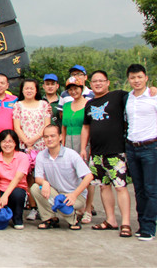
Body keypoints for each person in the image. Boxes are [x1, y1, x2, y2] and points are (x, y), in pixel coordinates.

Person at [80, 70, 146, 237]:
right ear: (90, 84)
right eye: (95, 81)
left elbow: (138, 94)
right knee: (103, 187)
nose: (98, 83)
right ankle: (111, 220)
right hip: (96, 153)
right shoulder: (89, 104)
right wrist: (83, 148)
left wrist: (153, 90)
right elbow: (86, 127)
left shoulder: (118, 96)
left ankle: (125, 223)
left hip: (116, 152)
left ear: (108, 82)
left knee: (120, 187)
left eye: (101, 80)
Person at [123, 63, 157, 242]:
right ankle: (142, 223)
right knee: (139, 189)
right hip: (131, 147)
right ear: (128, 80)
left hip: (149, 148)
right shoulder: (128, 98)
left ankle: (149, 227)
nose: (136, 80)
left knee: (151, 188)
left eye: (139, 77)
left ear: (146, 78)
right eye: (132, 78)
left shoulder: (155, 96)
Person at [32, 124, 93, 231]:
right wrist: (45, 183)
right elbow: (38, 178)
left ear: (60, 137)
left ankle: (73, 219)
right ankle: (50, 218)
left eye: (52, 136)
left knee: (60, 200)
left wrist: (74, 194)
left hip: (74, 196)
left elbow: (88, 176)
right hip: (56, 192)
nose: (49, 139)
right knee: (35, 188)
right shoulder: (41, 155)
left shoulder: (71, 155)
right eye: (46, 137)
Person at [13, 78, 51, 219]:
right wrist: (26, 141)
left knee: (41, 176)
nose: (29, 91)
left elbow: (46, 125)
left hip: (41, 145)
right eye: (26, 88)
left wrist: (33, 140)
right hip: (24, 146)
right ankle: (33, 207)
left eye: (31, 88)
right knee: (28, 177)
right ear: (22, 90)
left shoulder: (44, 105)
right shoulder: (18, 105)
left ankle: (45, 207)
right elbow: (17, 127)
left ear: (36, 90)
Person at [60, 75, 95, 223]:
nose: (73, 92)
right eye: (70, 89)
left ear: (82, 88)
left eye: (76, 88)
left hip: (84, 142)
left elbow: (90, 126)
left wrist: (87, 146)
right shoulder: (67, 106)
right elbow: (63, 127)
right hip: (68, 141)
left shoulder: (89, 104)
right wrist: (62, 145)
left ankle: (88, 209)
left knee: (87, 175)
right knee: (72, 175)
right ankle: (76, 206)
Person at [0, 129, 28, 229]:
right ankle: (4, 214)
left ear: (15, 143)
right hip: (0, 189)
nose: (7, 144)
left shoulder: (23, 157)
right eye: (4, 141)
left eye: (10, 141)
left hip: (16, 188)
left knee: (18, 194)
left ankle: (17, 218)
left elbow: (17, 178)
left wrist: (5, 196)